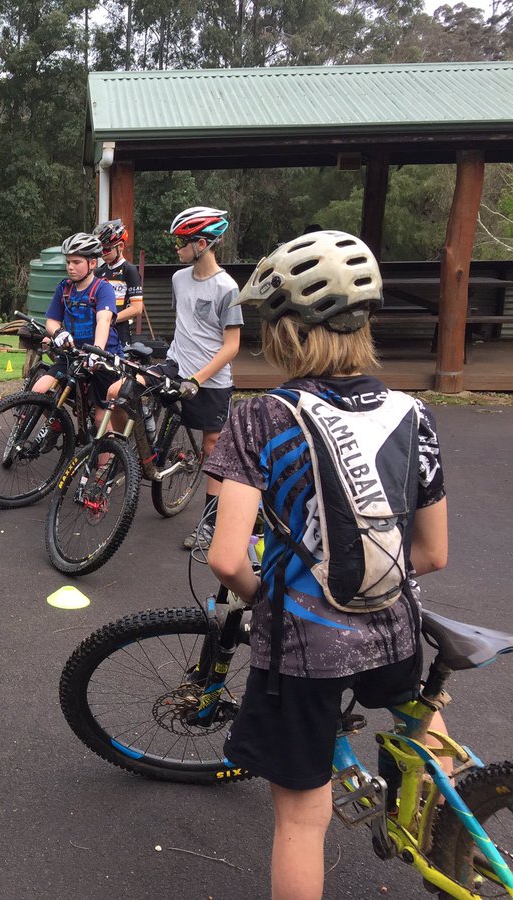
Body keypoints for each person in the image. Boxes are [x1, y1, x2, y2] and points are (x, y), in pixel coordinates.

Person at [204, 230, 448, 900]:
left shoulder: (261, 417)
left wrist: (263, 596)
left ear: (286, 331)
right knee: (420, 717)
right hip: (395, 626)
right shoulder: (414, 413)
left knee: (301, 817)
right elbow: (433, 553)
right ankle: (455, 818)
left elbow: (226, 558)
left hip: (305, 647)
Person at [162, 206, 242, 550]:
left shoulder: (227, 287)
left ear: (202, 244)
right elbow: (184, 325)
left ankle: (209, 524)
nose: (177, 247)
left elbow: (232, 346)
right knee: (129, 389)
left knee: (212, 447)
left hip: (210, 382)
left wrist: (197, 378)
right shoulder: (178, 279)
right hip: (175, 366)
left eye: (182, 241)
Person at [33, 232, 122, 407]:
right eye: (68, 262)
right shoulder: (63, 288)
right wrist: (58, 332)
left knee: (100, 418)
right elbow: (52, 321)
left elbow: (104, 320)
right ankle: (57, 423)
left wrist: (97, 351)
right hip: (72, 357)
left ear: (92, 263)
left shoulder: (103, 289)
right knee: (38, 392)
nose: (70, 267)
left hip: (102, 360)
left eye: (76, 262)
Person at [94, 219, 144, 348]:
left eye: (106, 249)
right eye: (100, 250)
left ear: (120, 246)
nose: (102, 254)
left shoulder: (129, 270)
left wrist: (109, 320)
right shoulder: (99, 272)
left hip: (120, 332)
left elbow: (137, 308)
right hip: (99, 330)